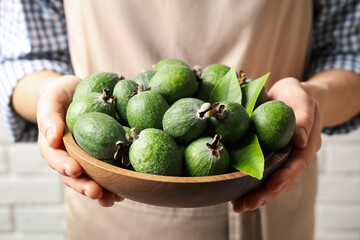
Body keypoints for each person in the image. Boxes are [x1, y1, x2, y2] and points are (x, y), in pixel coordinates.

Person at [1, 0, 359, 239]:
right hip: (112, 207)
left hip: (269, 196)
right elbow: (26, 59)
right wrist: (53, 96)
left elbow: (349, 55)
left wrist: (312, 100)